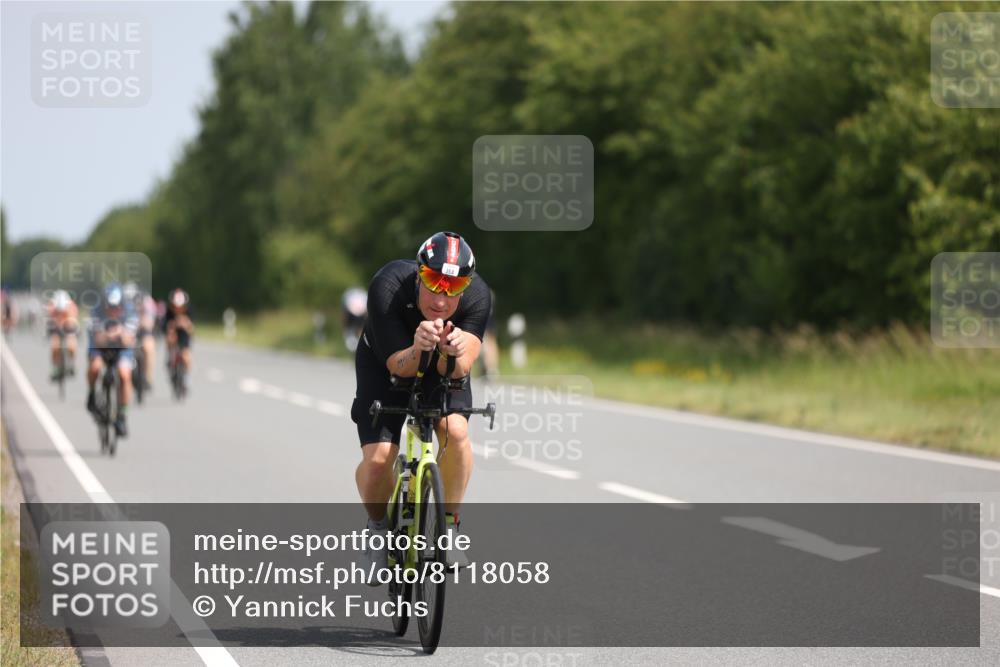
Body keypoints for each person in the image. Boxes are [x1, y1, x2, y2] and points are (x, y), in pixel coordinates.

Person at [351, 231, 491, 576]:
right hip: (389, 361)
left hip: (440, 365)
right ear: (418, 273)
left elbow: (461, 368)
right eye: (433, 281)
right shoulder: (387, 286)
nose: (442, 298)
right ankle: (378, 527)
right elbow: (398, 367)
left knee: (455, 432)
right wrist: (418, 347)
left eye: (454, 286)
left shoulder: (478, 297)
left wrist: (450, 352)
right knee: (380, 460)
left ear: (466, 286)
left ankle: (450, 529)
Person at [86, 283, 138, 437]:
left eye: (117, 307)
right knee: (95, 367)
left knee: (124, 374)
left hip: (122, 348)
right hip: (100, 347)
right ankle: (91, 395)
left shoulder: (129, 313)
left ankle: (122, 415)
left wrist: (118, 334)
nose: (113, 311)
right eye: (110, 307)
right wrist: (110, 335)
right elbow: (98, 340)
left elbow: (129, 340)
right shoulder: (96, 312)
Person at [125, 282, 157, 390]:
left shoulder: (147, 302)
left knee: (149, 348)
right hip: (128, 331)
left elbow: (150, 320)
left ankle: (148, 378)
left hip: (143, 330)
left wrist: (142, 324)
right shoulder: (121, 304)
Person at [162, 288, 194, 387]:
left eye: (180, 307)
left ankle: (187, 377)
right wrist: (172, 327)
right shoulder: (168, 312)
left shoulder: (189, 311)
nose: (178, 309)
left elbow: (192, 329)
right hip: (172, 333)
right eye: (175, 307)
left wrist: (185, 324)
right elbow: (164, 327)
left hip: (184, 334)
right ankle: (170, 357)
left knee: (186, 355)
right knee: (169, 339)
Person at [47, 290, 79, 380]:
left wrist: (68, 325)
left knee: (71, 346)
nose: (60, 312)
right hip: (56, 328)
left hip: (68, 327)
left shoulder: (71, 307)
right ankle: (55, 367)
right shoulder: (52, 307)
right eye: (58, 311)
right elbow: (50, 321)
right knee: (55, 346)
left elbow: (73, 323)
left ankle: (72, 364)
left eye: (62, 311)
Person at [341, 286, 368, 353]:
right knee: (359, 329)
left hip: (355, 313)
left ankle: (357, 344)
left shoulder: (351, 295)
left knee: (358, 329)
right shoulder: (362, 295)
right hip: (357, 313)